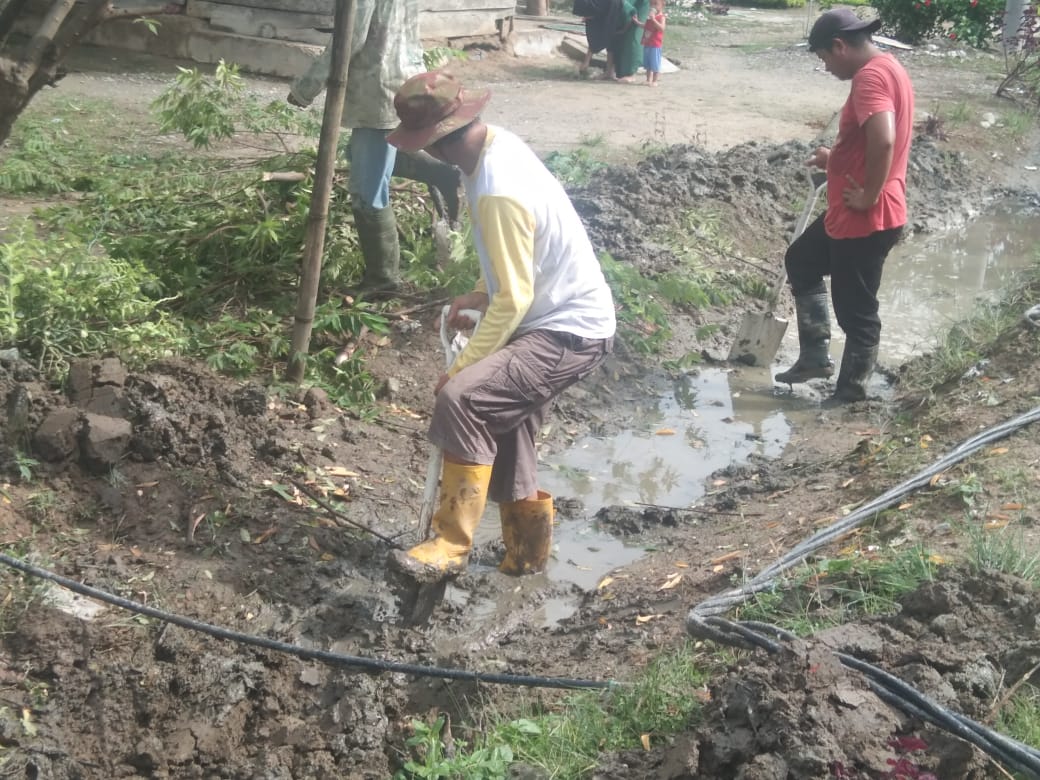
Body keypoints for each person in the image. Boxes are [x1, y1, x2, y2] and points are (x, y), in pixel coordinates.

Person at [384, 70, 617, 582]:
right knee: (508, 426)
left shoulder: (496, 188)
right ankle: (526, 559)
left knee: (462, 399)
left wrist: (462, 367)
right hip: (561, 316)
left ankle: (449, 545)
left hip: (567, 330)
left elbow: (515, 300)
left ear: (434, 144)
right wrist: (479, 292)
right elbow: (516, 265)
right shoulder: (495, 147)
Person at [775, 8, 914, 403]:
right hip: (856, 210)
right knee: (801, 260)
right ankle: (815, 357)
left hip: (867, 215)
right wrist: (834, 158)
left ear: (839, 46)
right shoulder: (889, 67)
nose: (826, 67)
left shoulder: (869, 78)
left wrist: (869, 193)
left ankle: (851, 393)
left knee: (857, 312)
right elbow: (870, 142)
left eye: (824, 58)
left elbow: (884, 140)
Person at [287, 0, 460, 298]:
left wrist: (307, 87)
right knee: (360, 157)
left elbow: (350, 39)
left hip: (376, 88)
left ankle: (383, 279)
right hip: (400, 80)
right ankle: (442, 172)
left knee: (367, 191)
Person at [633, 0, 666, 87]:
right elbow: (646, 26)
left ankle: (655, 80)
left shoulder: (661, 17)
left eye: (655, 4)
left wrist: (654, 19)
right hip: (647, 43)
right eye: (651, 4)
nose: (653, 6)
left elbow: (662, 28)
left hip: (655, 44)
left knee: (655, 63)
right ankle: (648, 79)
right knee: (647, 63)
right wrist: (638, 22)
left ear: (662, 5)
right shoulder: (649, 17)